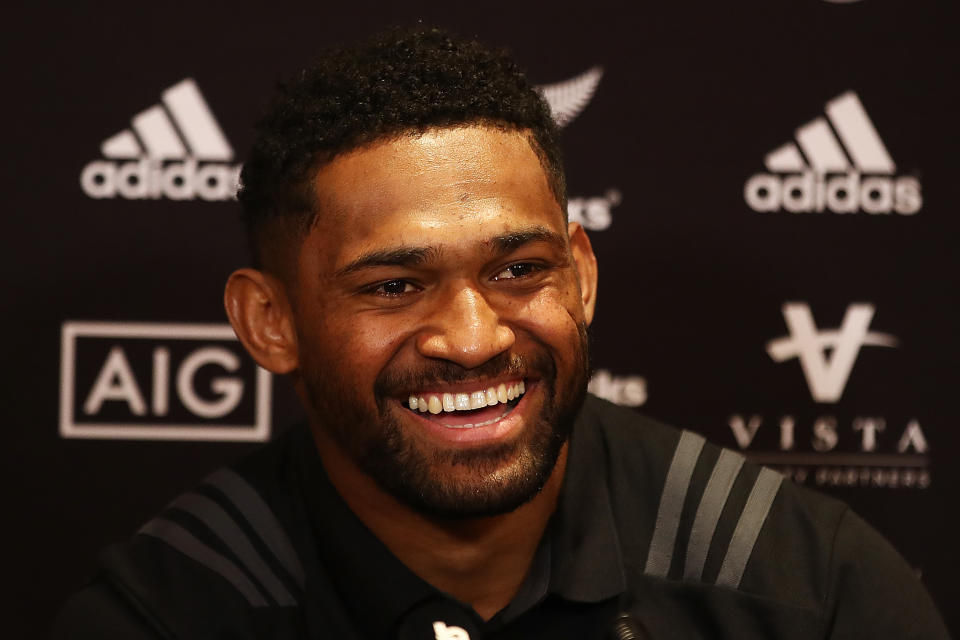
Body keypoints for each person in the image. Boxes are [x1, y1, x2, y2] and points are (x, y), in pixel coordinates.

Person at [53, 27, 949, 639]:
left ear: (583, 274)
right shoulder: (172, 614)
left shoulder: (805, 589)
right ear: (270, 321)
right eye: (395, 285)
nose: (474, 338)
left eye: (518, 270)